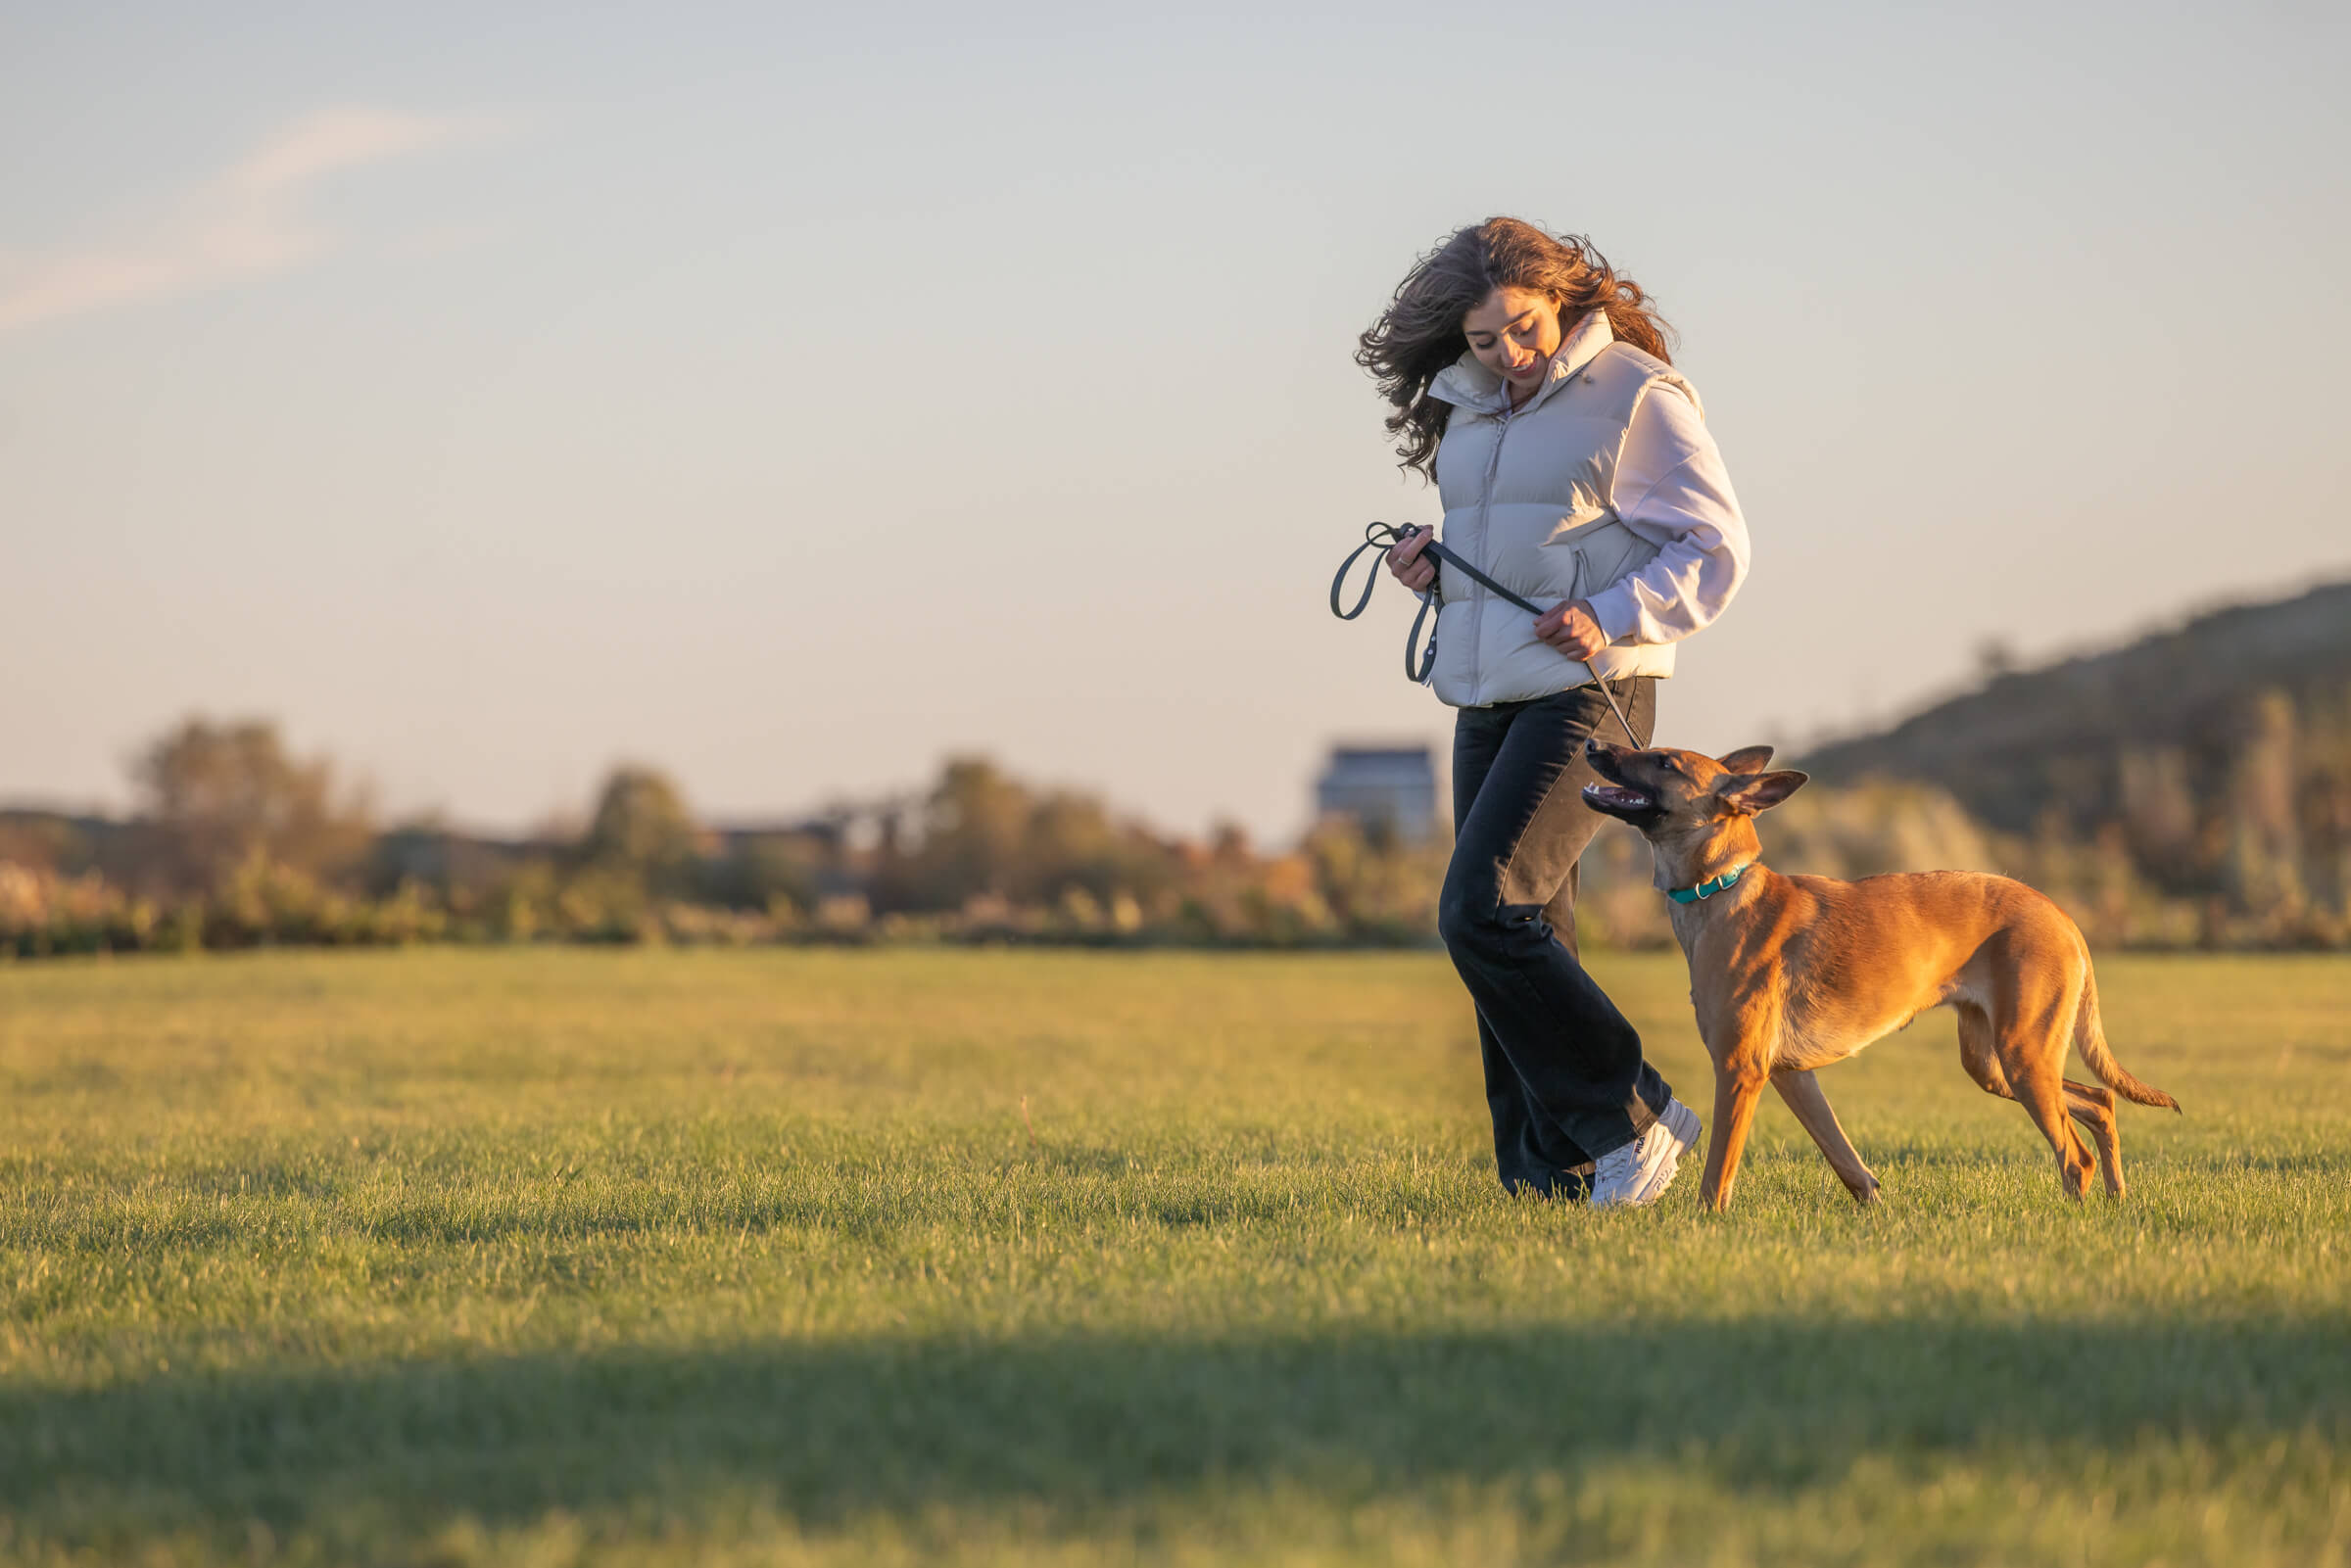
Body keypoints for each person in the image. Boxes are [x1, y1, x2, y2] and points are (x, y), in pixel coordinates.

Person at [1355, 217, 1751, 1205]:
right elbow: (1528, 546)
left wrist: (1611, 612)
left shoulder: (1636, 395)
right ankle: (1550, 1178)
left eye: (1525, 329)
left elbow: (1716, 548)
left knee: (1479, 908)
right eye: (1486, 341)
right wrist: (1435, 576)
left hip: (1592, 695)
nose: (1511, 355)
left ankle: (1638, 1113)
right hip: (1487, 690)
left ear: (1564, 300)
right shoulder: (1471, 406)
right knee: (1529, 926)